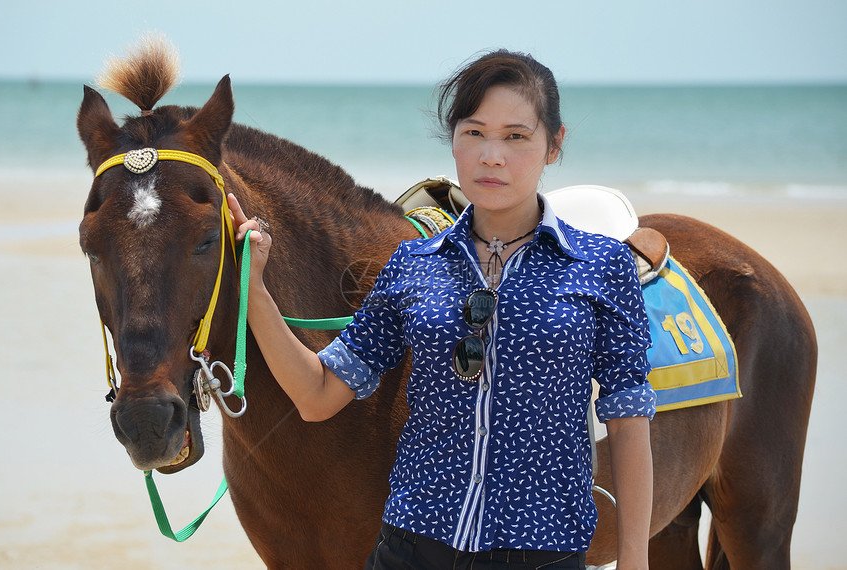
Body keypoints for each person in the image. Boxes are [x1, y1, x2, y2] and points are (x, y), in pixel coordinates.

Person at [228, 50, 655, 570]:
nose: (491, 156)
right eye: (473, 133)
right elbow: (317, 395)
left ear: (554, 145)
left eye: (516, 136)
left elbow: (629, 424)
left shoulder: (600, 265)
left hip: (542, 555)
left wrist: (635, 560)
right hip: (409, 550)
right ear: (453, 139)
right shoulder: (411, 263)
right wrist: (254, 289)